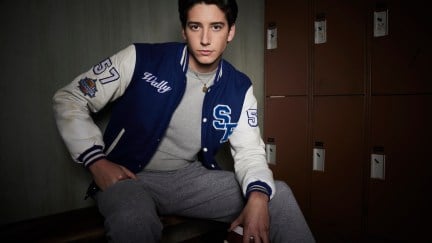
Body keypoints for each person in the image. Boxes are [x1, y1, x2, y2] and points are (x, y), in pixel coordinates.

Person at [53, 0, 315, 242]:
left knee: (276, 196)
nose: (204, 39)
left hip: (187, 180)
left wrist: (258, 196)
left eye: (216, 27)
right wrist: (97, 162)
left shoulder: (239, 87)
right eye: (195, 27)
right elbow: (70, 97)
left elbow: (249, 151)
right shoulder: (140, 58)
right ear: (183, 30)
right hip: (128, 175)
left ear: (230, 32)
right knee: (133, 221)